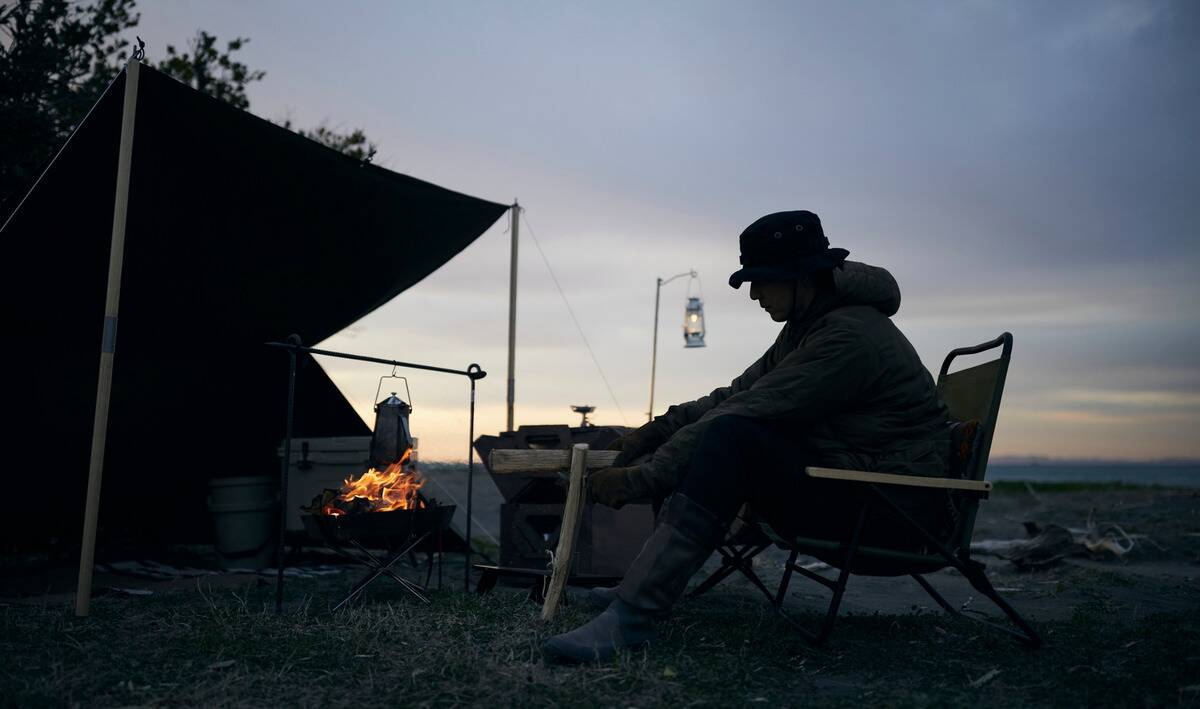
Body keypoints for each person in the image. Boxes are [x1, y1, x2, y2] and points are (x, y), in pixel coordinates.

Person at [543, 210, 952, 663]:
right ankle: (636, 593)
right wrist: (653, 432)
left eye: (763, 280)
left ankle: (633, 617)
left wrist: (642, 480)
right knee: (726, 431)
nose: (754, 294)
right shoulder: (810, 327)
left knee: (732, 438)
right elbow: (735, 392)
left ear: (801, 277)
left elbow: (744, 410)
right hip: (858, 487)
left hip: (892, 510)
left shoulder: (849, 338)